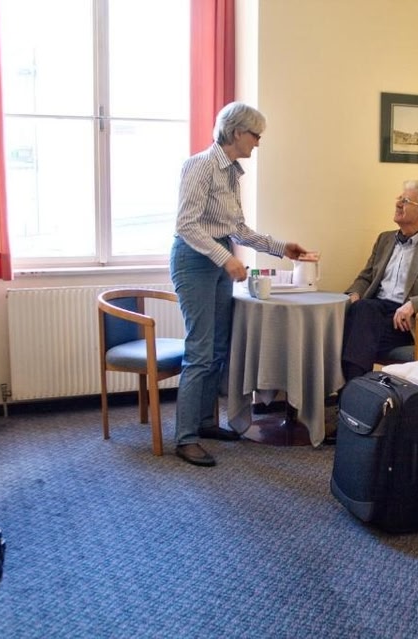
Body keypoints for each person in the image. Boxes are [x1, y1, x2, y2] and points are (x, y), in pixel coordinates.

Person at [171, 102, 310, 467]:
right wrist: (225, 259)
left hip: (218, 258)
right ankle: (185, 438)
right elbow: (186, 225)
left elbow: (239, 230)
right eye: (256, 135)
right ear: (236, 133)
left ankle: (205, 423)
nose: (258, 142)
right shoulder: (201, 165)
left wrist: (282, 248)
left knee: (218, 348)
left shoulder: (232, 172)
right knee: (200, 351)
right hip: (194, 261)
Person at [340, 179, 418, 382]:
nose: (397, 203)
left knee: (356, 326)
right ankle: (360, 389)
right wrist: (354, 294)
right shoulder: (385, 239)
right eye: (399, 198)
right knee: (356, 313)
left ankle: (354, 389)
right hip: (374, 312)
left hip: (408, 322)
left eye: (405, 201)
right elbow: (366, 277)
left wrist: (413, 304)